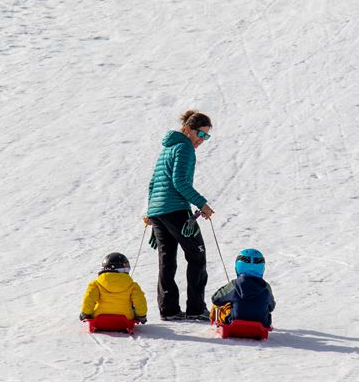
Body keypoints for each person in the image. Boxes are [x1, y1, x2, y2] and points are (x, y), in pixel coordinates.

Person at [144, 110, 215, 321]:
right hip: (175, 209)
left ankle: (169, 310)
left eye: (206, 137)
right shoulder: (184, 148)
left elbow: (152, 184)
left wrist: (151, 212)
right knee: (197, 255)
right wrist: (202, 204)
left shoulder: (167, 148)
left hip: (159, 212)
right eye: (200, 135)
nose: (202, 141)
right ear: (187, 130)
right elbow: (180, 183)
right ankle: (195, 309)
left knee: (167, 260)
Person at [210, 248, 276, 327]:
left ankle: (218, 320)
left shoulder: (234, 285)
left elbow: (216, 299)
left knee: (219, 308)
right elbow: (271, 307)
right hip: (262, 323)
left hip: (234, 321)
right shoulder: (266, 287)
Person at [79, 252, 148, 323]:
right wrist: (141, 315)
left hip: (99, 317)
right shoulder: (132, 286)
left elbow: (89, 298)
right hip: (126, 318)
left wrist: (85, 313)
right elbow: (140, 301)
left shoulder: (96, 284)